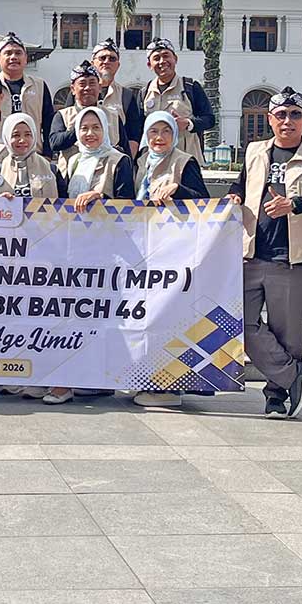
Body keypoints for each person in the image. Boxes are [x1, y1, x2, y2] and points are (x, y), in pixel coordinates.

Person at [227, 88, 302, 419]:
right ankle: (293, 375)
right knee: (239, 322)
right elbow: (240, 184)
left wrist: (295, 204)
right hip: (252, 252)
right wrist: (234, 197)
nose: (287, 121)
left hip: (293, 257)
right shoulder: (255, 151)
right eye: (280, 115)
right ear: (270, 120)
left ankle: (276, 395)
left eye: (294, 115)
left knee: (287, 332)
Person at [38, 107, 135, 405]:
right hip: (72, 252)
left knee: (99, 319)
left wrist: (101, 198)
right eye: (84, 128)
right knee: (71, 318)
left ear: (106, 129)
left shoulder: (119, 161)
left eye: (96, 127)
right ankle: (68, 379)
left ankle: (94, 380)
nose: (90, 133)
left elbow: (129, 204)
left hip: (105, 253)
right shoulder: (71, 161)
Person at [123, 109, 211, 408]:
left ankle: (169, 386)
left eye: (166, 132)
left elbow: (204, 200)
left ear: (175, 135)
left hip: (173, 250)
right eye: (153, 132)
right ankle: (147, 378)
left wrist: (179, 190)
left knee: (167, 317)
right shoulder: (140, 163)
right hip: (143, 250)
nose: (159, 138)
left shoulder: (184, 162)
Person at [139, 38, 214, 161]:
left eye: (166, 56)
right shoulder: (145, 92)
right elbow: (138, 127)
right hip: (153, 160)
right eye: (156, 58)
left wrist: (188, 123)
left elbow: (209, 119)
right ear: (149, 65)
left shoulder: (190, 87)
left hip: (185, 159)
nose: (162, 61)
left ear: (175, 59)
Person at [0, 113, 64, 200]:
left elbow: (66, 206)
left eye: (28, 134)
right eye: (16, 135)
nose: (22, 140)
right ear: (7, 137)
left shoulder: (52, 170)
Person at [91, 37, 143, 153]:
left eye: (112, 58)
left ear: (118, 65)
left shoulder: (126, 96)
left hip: (115, 161)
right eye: (102, 58)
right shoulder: (80, 92)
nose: (107, 61)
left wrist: (127, 162)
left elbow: (133, 136)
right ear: (93, 63)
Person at [0, 32, 54, 125]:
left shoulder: (39, 85)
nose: (13, 57)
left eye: (18, 53)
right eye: (8, 53)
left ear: (25, 58)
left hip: (32, 139)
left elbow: (48, 121)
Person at [47, 60, 105, 155]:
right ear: (73, 89)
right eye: (82, 84)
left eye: (92, 83)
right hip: (71, 169)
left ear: (99, 88)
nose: (87, 88)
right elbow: (55, 143)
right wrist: (79, 128)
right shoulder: (63, 115)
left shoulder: (112, 116)